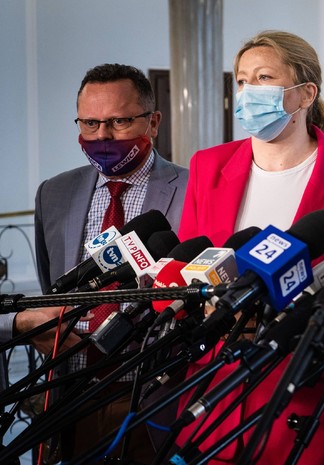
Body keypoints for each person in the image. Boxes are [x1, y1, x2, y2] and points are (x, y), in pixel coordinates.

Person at [175, 30, 324, 465]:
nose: (248, 91)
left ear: (306, 93)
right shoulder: (208, 166)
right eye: (242, 80)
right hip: (215, 393)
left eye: (264, 78)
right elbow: (186, 272)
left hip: (310, 401)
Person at [34, 63, 188, 463]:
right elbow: (50, 283)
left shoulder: (193, 189)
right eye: (90, 123)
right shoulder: (54, 193)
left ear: (153, 122)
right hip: (72, 394)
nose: (102, 135)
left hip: (153, 395)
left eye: (119, 122)